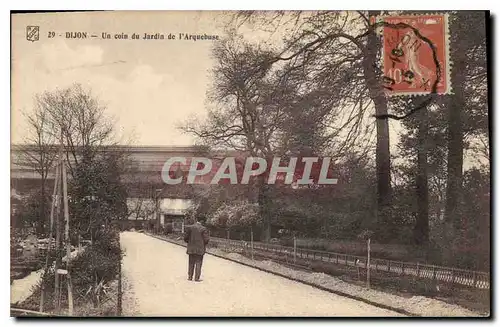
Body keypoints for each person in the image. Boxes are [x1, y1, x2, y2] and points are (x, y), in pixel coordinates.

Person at [183, 217, 209, 282]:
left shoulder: (190, 227)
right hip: (200, 249)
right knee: (198, 263)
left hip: (191, 248)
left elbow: (185, 238)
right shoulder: (203, 229)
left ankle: (190, 277)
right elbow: (206, 240)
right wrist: (203, 244)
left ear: (197, 220)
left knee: (191, 262)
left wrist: (190, 243)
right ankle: (197, 278)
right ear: (202, 221)